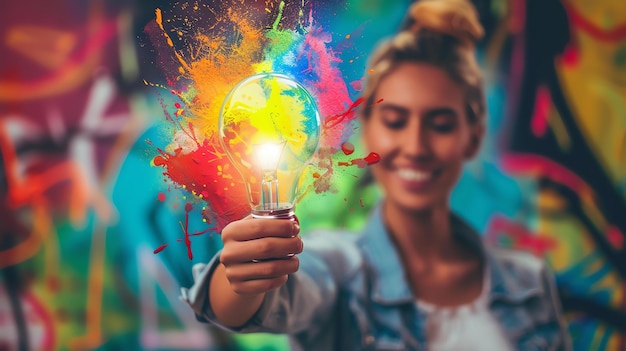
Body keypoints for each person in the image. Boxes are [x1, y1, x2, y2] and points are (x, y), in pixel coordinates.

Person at [180, 0, 572, 349]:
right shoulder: (337, 268)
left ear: (471, 138)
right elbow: (255, 303)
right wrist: (240, 280)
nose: (416, 146)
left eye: (440, 123)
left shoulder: (528, 284)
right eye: (396, 121)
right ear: (368, 130)